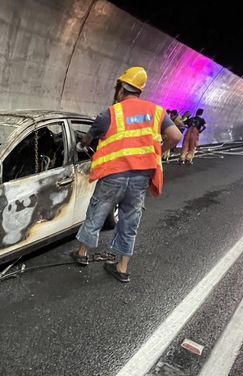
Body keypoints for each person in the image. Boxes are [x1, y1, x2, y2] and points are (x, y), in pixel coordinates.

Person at [71, 67, 182, 283]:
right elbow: (175, 135)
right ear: (139, 90)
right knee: (130, 220)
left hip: (114, 175)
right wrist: (159, 150)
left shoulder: (110, 113)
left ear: (121, 89)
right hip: (140, 177)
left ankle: (82, 254)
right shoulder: (157, 112)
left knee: (97, 212)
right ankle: (121, 268)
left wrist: (82, 144)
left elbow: (87, 140)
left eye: (117, 88)